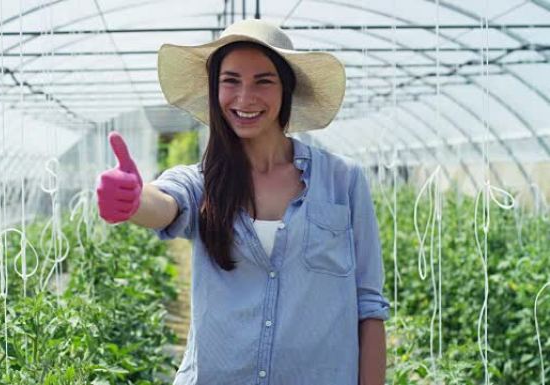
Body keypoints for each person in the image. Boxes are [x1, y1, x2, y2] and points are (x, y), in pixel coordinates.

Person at [96, 19, 389, 385]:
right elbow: (165, 202)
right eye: (231, 80)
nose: (245, 98)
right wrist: (134, 199)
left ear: (287, 90)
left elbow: (369, 306)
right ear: (215, 90)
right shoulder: (203, 182)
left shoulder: (342, 181)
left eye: (263, 81)